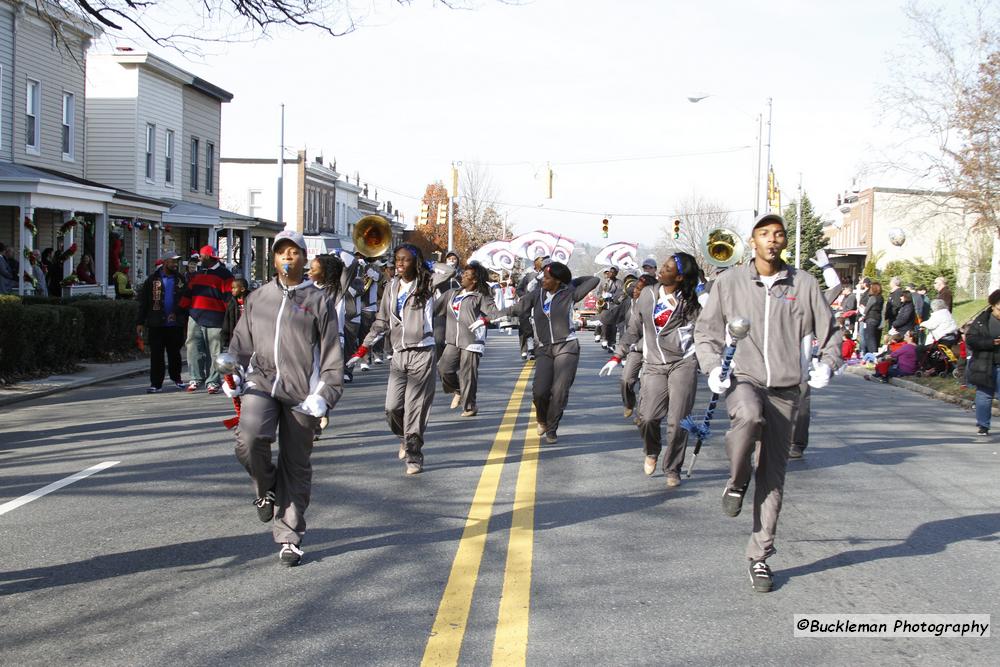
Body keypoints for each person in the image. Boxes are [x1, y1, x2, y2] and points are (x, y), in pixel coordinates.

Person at [693, 213, 841, 593]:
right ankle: (737, 480)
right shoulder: (730, 282)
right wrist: (712, 368)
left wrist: (828, 362)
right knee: (748, 415)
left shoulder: (804, 285)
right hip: (745, 378)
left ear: (784, 241)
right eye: (764, 234)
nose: (771, 240)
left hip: (788, 389)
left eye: (778, 234)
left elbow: (831, 333)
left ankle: (759, 556)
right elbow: (706, 332)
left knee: (773, 476)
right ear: (752, 240)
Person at [226, 230, 343, 567]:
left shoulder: (319, 301)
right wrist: (232, 369)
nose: (287, 258)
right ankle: (265, 488)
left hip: (302, 393)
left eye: (294, 252)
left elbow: (333, 355)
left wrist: (325, 394)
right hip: (261, 382)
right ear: (274, 259)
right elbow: (240, 343)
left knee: (296, 465)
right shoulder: (258, 297)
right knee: (248, 440)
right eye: (281, 253)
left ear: (305, 259)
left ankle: (290, 537)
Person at [349, 244, 455, 474]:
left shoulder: (426, 282)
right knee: (392, 408)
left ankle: (414, 456)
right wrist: (363, 349)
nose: (399, 263)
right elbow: (381, 321)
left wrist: (426, 263)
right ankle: (404, 437)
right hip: (398, 354)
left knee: (415, 407)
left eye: (405, 260)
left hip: (422, 352)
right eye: (397, 259)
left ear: (414, 262)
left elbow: (448, 271)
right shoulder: (390, 286)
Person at [601, 257, 701, 487]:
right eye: (663, 266)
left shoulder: (691, 300)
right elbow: (634, 328)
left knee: (678, 420)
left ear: (679, 277)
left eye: (667, 269)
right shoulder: (647, 294)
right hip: (654, 364)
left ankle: (673, 467)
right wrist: (618, 355)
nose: (661, 270)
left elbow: (707, 329)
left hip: (682, 363)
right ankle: (652, 449)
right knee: (647, 417)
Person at [502, 262, 600, 443]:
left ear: (557, 280)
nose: (543, 280)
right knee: (540, 392)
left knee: (559, 390)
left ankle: (552, 426)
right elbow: (517, 308)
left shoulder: (570, 294)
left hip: (567, 347)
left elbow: (594, 279)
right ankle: (542, 418)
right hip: (544, 348)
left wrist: (571, 281)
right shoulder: (536, 295)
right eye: (543, 277)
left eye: (547, 278)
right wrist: (490, 316)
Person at [436, 261, 500, 417]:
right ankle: (457, 390)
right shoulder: (452, 293)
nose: (462, 276)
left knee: (467, 374)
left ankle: (470, 406)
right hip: (452, 339)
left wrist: (484, 320)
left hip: (472, 341)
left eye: (467, 275)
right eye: (463, 273)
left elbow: (495, 314)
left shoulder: (482, 296)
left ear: (475, 279)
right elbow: (434, 308)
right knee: (443, 369)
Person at [180, 245, 233, 394]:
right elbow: (188, 293)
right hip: (195, 316)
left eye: (201, 257)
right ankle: (195, 378)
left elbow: (229, 298)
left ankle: (213, 381)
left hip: (216, 318)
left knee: (215, 352)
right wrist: (181, 309)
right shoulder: (196, 275)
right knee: (193, 348)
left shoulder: (225, 275)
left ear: (208, 258)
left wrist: (229, 319)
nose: (199, 260)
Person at [136, 253, 188, 393]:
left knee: (174, 353)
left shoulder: (181, 279)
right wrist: (140, 322)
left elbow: (186, 300)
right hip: (156, 323)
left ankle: (177, 378)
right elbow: (144, 302)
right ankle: (156, 383)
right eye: (173, 262)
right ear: (165, 262)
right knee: (156, 355)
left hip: (175, 324)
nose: (175, 265)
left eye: (177, 262)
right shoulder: (152, 280)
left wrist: (178, 314)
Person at [965, 289, 1000, 437]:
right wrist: (991, 342)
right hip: (984, 363)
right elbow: (971, 340)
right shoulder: (982, 320)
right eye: (999, 308)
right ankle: (983, 425)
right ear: (993, 305)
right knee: (984, 395)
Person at [516, 256, 547, 361]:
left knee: (539, 328)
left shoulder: (547, 276)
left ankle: (535, 350)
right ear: (536, 264)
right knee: (524, 326)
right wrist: (524, 297)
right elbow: (519, 289)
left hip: (540, 304)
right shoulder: (528, 275)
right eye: (541, 262)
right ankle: (524, 350)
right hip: (527, 303)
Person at [221, 278, 251, 350]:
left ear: (242, 289)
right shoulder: (231, 302)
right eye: (232, 288)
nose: (232, 290)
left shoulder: (252, 300)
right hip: (235, 335)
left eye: (234, 288)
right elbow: (227, 321)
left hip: (248, 335)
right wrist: (225, 339)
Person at [861, 281, 884, 356]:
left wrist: (863, 311)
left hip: (870, 318)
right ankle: (873, 353)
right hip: (877, 318)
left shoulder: (872, 298)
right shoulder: (881, 298)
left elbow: (867, 309)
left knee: (870, 338)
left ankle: (873, 354)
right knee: (874, 337)